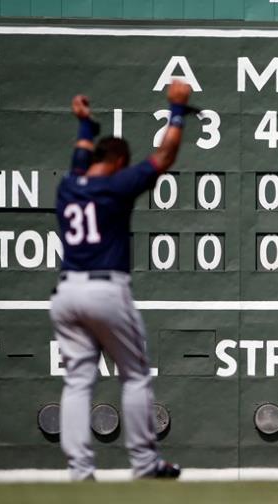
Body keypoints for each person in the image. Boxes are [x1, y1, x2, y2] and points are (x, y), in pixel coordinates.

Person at [49, 80, 191, 481]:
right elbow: (164, 156)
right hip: (104, 289)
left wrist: (84, 125)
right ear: (119, 161)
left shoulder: (68, 185)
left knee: (77, 381)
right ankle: (144, 464)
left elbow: (80, 157)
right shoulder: (117, 185)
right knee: (135, 374)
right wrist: (177, 110)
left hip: (65, 292)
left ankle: (80, 472)